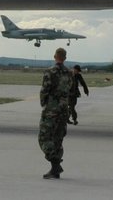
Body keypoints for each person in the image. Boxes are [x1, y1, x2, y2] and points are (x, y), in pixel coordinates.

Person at [39, 47, 73, 179]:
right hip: (64, 109)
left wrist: (44, 104)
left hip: (52, 110)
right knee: (58, 139)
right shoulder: (69, 73)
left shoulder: (50, 71)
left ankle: (55, 164)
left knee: (44, 137)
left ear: (55, 56)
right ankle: (55, 170)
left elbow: (45, 90)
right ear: (65, 58)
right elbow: (70, 90)